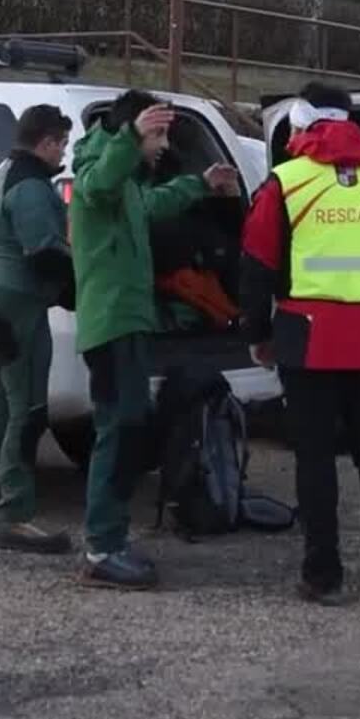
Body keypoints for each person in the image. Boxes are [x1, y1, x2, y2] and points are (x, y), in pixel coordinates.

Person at [242, 83, 360, 604]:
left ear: (300, 123)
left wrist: (257, 332)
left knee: (315, 460)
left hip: (307, 337)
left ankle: (324, 573)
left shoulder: (286, 182)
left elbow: (257, 262)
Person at [70, 90, 239, 589]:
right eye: (158, 134)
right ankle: (101, 548)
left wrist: (199, 185)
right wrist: (130, 137)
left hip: (129, 322)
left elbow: (149, 203)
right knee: (118, 430)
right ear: (131, 131)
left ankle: (110, 539)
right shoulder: (96, 174)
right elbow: (99, 186)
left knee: (126, 427)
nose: (163, 145)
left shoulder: (126, 184)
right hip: (112, 323)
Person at [0, 105, 76, 555]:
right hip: (19, 308)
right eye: (62, 145)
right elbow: (44, 253)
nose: (63, 154)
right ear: (47, 142)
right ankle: (16, 517)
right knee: (27, 412)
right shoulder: (31, 186)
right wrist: (77, 290)